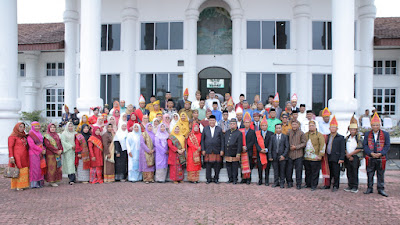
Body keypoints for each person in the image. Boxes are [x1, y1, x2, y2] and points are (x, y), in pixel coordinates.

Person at [363, 113, 390, 197]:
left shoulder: (385, 134)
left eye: (377, 125)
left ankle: (380, 189)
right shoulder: (367, 134)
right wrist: (370, 153)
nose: (375, 127)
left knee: (380, 174)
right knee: (370, 173)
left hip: (381, 157)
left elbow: (387, 145)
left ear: (380, 125)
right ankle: (369, 188)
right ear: (371, 125)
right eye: (374, 125)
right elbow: (365, 145)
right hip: (370, 157)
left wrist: (381, 153)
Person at [201, 115, 225, 184]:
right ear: (208, 121)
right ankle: (208, 179)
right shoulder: (205, 129)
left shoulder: (219, 129)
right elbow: (202, 140)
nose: (212, 122)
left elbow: (222, 141)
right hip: (207, 150)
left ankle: (216, 178)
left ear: (215, 121)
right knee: (208, 165)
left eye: (213, 120)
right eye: (210, 120)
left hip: (217, 150)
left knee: (217, 165)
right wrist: (203, 149)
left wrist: (222, 150)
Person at [303, 120, 326, 191]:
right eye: (309, 126)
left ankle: (314, 185)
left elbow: (322, 145)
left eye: (312, 125)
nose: (311, 127)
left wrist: (320, 155)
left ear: (315, 126)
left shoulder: (319, 135)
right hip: (307, 157)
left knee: (315, 172)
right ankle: (308, 184)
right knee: (307, 171)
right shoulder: (306, 134)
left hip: (315, 157)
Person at [324, 116, 345, 192]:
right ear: (329, 128)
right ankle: (328, 185)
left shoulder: (341, 138)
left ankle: (336, 185)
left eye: (334, 127)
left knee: (336, 172)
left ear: (337, 129)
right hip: (328, 156)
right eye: (331, 127)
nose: (332, 129)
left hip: (336, 157)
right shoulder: (327, 136)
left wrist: (341, 158)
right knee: (329, 172)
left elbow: (343, 149)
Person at [344, 116, 364, 193]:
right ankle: (350, 185)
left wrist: (351, 154)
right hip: (348, 157)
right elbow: (345, 147)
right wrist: (347, 154)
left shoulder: (359, 138)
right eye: (351, 129)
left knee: (354, 171)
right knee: (348, 172)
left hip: (356, 157)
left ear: (356, 130)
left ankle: (355, 186)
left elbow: (360, 148)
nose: (352, 131)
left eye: (354, 130)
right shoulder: (347, 138)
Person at [8, 122, 29, 190]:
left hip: (24, 155)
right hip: (17, 156)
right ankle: (17, 186)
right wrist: (11, 156)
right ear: (17, 127)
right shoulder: (12, 136)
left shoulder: (23, 136)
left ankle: (23, 185)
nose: (21, 128)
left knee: (24, 169)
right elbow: (10, 147)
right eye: (20, 127)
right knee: (18, 169)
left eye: (23, 127)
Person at [287, 120, 307, 189]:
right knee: (289, 170)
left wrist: (296, 147)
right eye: (293, 124)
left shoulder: (301, 133)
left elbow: (304, 143)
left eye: (295, 124)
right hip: (290, 154)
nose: (294, 126)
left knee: (298, 170)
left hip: (298, 154)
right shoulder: (289, 132)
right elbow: (286, 142)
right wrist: (289, 147)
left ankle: (298, 184)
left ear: (298, 125)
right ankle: (289, 182)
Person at [268, 124, 289, 188]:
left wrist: (284, 155)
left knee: (282, 171)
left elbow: (287, 147)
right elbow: (270, 147)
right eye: (277, 128)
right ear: (275, 129)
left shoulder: (285, 137)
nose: (278, 129)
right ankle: (276, 182)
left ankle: (282, 183)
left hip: (282, 157)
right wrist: (270, 156)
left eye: (279, 128)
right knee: (276, 170)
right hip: (274, 157)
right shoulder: (272, 137)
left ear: (281, 129)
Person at [255, 116, 273, 185]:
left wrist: (267, 149)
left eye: (265, 125)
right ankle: (260, 180)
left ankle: (266, 180)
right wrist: (260, 150)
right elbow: (256, 143)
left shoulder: (271, 133)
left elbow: (271, 143)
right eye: (262, 125)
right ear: (260, 126)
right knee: (260, 167)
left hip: (267, 153)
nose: (264, 126)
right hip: (260, 153)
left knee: (267, 168)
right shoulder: (257, 133)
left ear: (267, 126)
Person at [224, 118, 243, 185]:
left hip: (234, 152)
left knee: (235, 167)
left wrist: (238, 153)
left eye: (233, 124)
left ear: (236, 125)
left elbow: (240, 144)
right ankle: (230, 178)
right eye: (231, 124)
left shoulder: (239, 133)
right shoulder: (227, 132)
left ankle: (235, 179)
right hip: (227, 152)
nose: (232, 125)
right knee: (228, 166)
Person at [27, 121, 46, 188]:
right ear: (32, 127)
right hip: (33, 154)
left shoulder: (39, 134)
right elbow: (32, 145)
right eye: (35, 126)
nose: (37, 128)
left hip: (40, 153)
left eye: (38, 126)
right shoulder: (30, 135)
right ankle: (34, 184)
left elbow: (41, 143)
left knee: (40, 168)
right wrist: (41, 150)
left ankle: (39, 182)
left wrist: (43, 149)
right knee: (34, 168)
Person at [239, 113, 256, 184]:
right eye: (245, 122)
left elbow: (253, 141)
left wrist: (246, 147)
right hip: (241, 150)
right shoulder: (240, 131)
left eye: (248, 122)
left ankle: (248, 178)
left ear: (250, 123)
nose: (247, 124)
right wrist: (242, 147)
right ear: (243, 123)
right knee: (242, 165)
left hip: (249, 151)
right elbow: (239, 140)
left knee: (248, 165)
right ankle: (243, 178)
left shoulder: (252, 132)